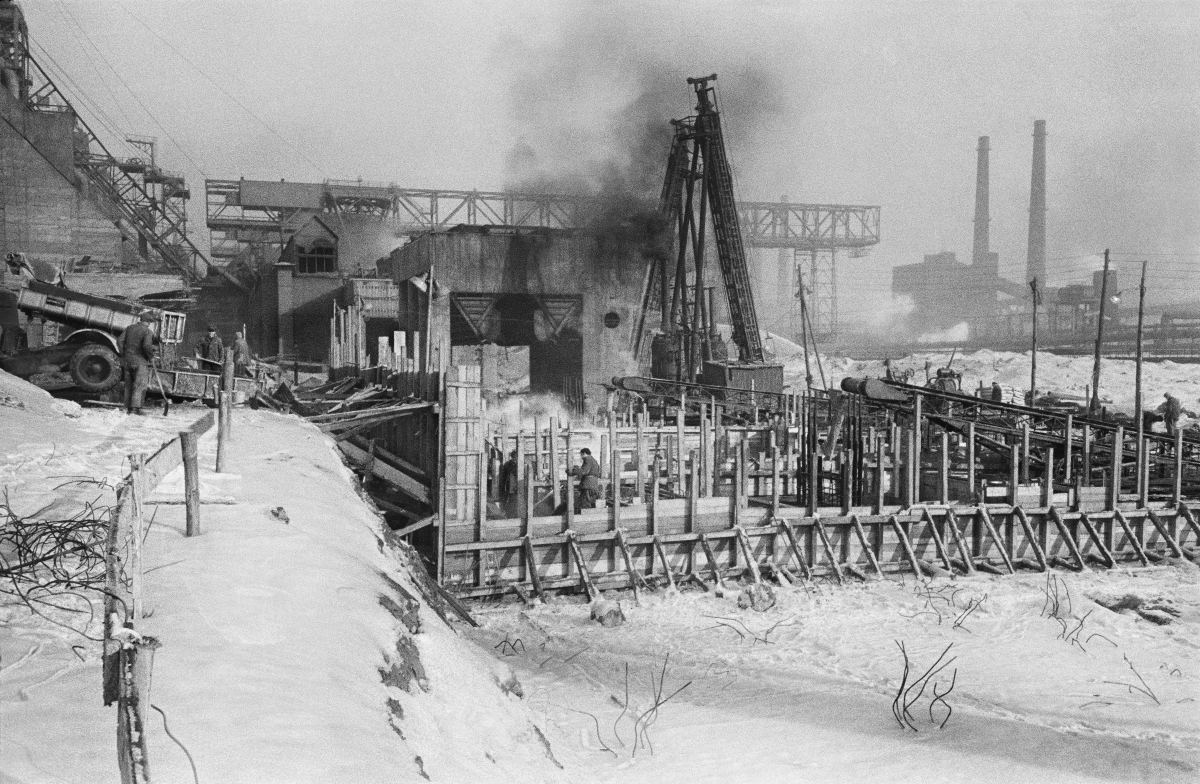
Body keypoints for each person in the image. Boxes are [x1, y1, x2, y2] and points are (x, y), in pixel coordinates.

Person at [118, 311, 159, 415]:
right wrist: (151, 357)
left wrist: (124, 353)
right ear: (148, 322)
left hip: (127, 361)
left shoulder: (129, 328)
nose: (149, 324)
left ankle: (126, 407)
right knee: (139, 385)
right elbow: (146, 346)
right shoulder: (147, 331)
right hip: (140, 362)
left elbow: (119, 341)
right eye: (149, 322)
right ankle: (135, 409)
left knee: (128, 385)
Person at [569, 447, 601, 513]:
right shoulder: (594, 461)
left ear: (584, 453)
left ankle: (584, 520)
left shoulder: (587, 459)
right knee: (591, 504)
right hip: (594, 486)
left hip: (587, 486)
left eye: (581, 455)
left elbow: (583, 472)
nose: (581, 457)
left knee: (585, 505)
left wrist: (574, 470)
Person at [499, 450, 519, 517]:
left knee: (514, 501)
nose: (516, 458)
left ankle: (513, 515)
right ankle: (510, 515)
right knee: (510, 501)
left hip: (516, 487)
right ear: (512, 456)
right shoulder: (508, 464)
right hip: (510, 486)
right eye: (515, 457)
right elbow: (504, 476)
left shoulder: (520, 464)